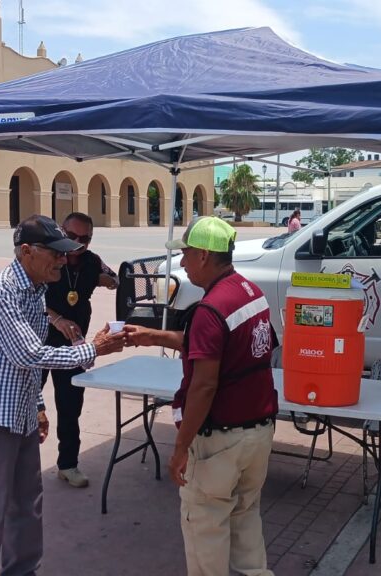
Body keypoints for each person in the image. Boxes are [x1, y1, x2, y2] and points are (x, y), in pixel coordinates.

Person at [0, 214, 126, 576]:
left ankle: (22, 570)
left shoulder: (36, 290)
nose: (61, 259)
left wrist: (37, 405)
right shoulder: (1, 288)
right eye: (55, 252)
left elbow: (28, 360)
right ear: (26, 251)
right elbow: (29, 354)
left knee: (28, 502)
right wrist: (94, 349)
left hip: (20, 411)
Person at [124, 216, 278, 576]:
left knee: (205, 525)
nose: (182, 262)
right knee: (244, 518)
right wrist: (154, 336)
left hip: (221, 440)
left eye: (187, 253)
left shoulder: (210, 309)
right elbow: (224, 349)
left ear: (205, 256)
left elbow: (205, 384)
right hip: (257, 433)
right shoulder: (249, 292)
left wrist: (180, 447)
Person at [41, 212, 118, 488]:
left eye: (84, 238)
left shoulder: (91, 261)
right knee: (26, 403)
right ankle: (20, 466)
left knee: (71, 404)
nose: (78, 243)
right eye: (72, 236)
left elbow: (114, 277)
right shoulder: (48, 259)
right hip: (38, 341)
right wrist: (57, 319)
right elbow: (30, 298)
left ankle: (68, 465)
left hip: (73, 346)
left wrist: (105, 279)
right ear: (62, 232)